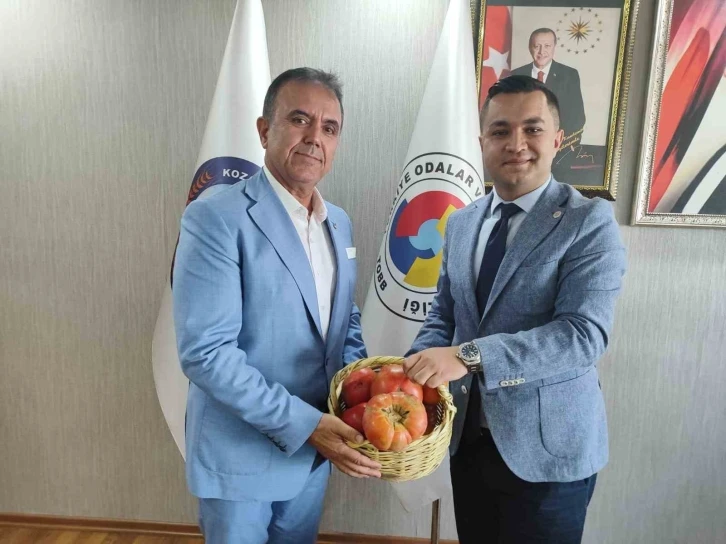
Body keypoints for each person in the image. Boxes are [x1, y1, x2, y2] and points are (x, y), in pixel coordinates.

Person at [403, 75, 626, 543]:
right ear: (482, 141)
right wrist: (413, 369)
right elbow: (445, 313)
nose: (516, 143)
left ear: (557, 139)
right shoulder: (462, 222)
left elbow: (582, 336)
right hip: (468, 443)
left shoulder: (588, 222)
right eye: (501, 130)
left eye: (532, 129)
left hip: (547, 455)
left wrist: (467, 356)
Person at [173, 67, 381, 544]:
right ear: (265, 130)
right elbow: (206, 353)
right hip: (241, 457)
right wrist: (307, 426)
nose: (314, 138)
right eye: (299, 120)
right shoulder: (216, 217)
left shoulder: (339, 222)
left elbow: (343, 319)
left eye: (329, 128)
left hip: (312, 455)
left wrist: (362, 390)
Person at [512, 28, 586, 144]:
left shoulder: (569, 75)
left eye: (547, 46)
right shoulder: (515, 75)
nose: (542, 51)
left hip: (558, 146)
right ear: (530, 47)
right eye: (537, 46)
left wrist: (560, 146)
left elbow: (577, 117)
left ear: (554, 47)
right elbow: (511, 114)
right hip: (523, 145)